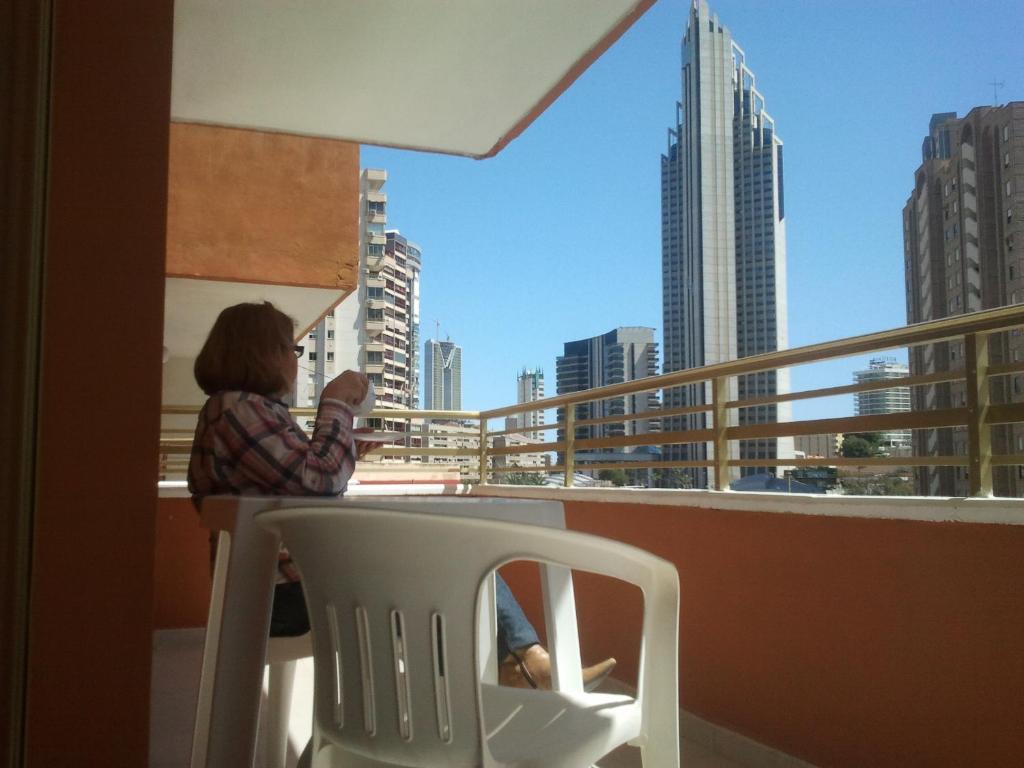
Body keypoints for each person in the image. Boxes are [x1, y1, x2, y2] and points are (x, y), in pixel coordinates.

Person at [187, 301, 614, 689]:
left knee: (444, 556)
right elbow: (318, 481)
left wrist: (346, 446)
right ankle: (497, 681)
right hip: (280, 597)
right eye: (290, 349)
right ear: (262, 352)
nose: (294, 361)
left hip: (286, 583)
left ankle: (515, 666)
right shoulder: (237, 408)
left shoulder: (244, 410)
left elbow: (302, 482)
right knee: (446, 562)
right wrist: (335, 402)